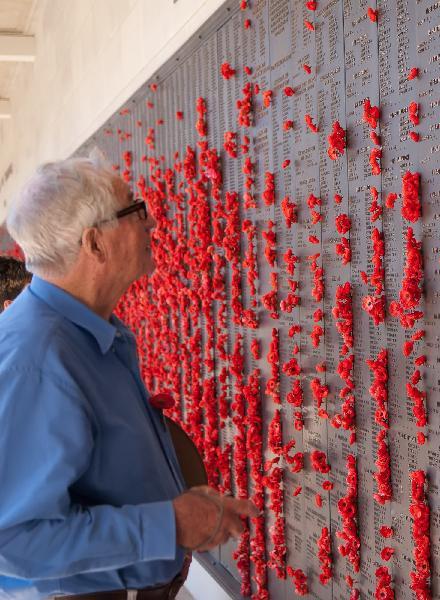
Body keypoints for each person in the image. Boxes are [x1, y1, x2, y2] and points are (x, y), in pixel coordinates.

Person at [0, 156, 257, 599]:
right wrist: (170, 524)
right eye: (134, 210)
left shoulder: (85, 328)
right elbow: (14, 541)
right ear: (95, 244)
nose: (151, 221)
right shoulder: (36, 362)